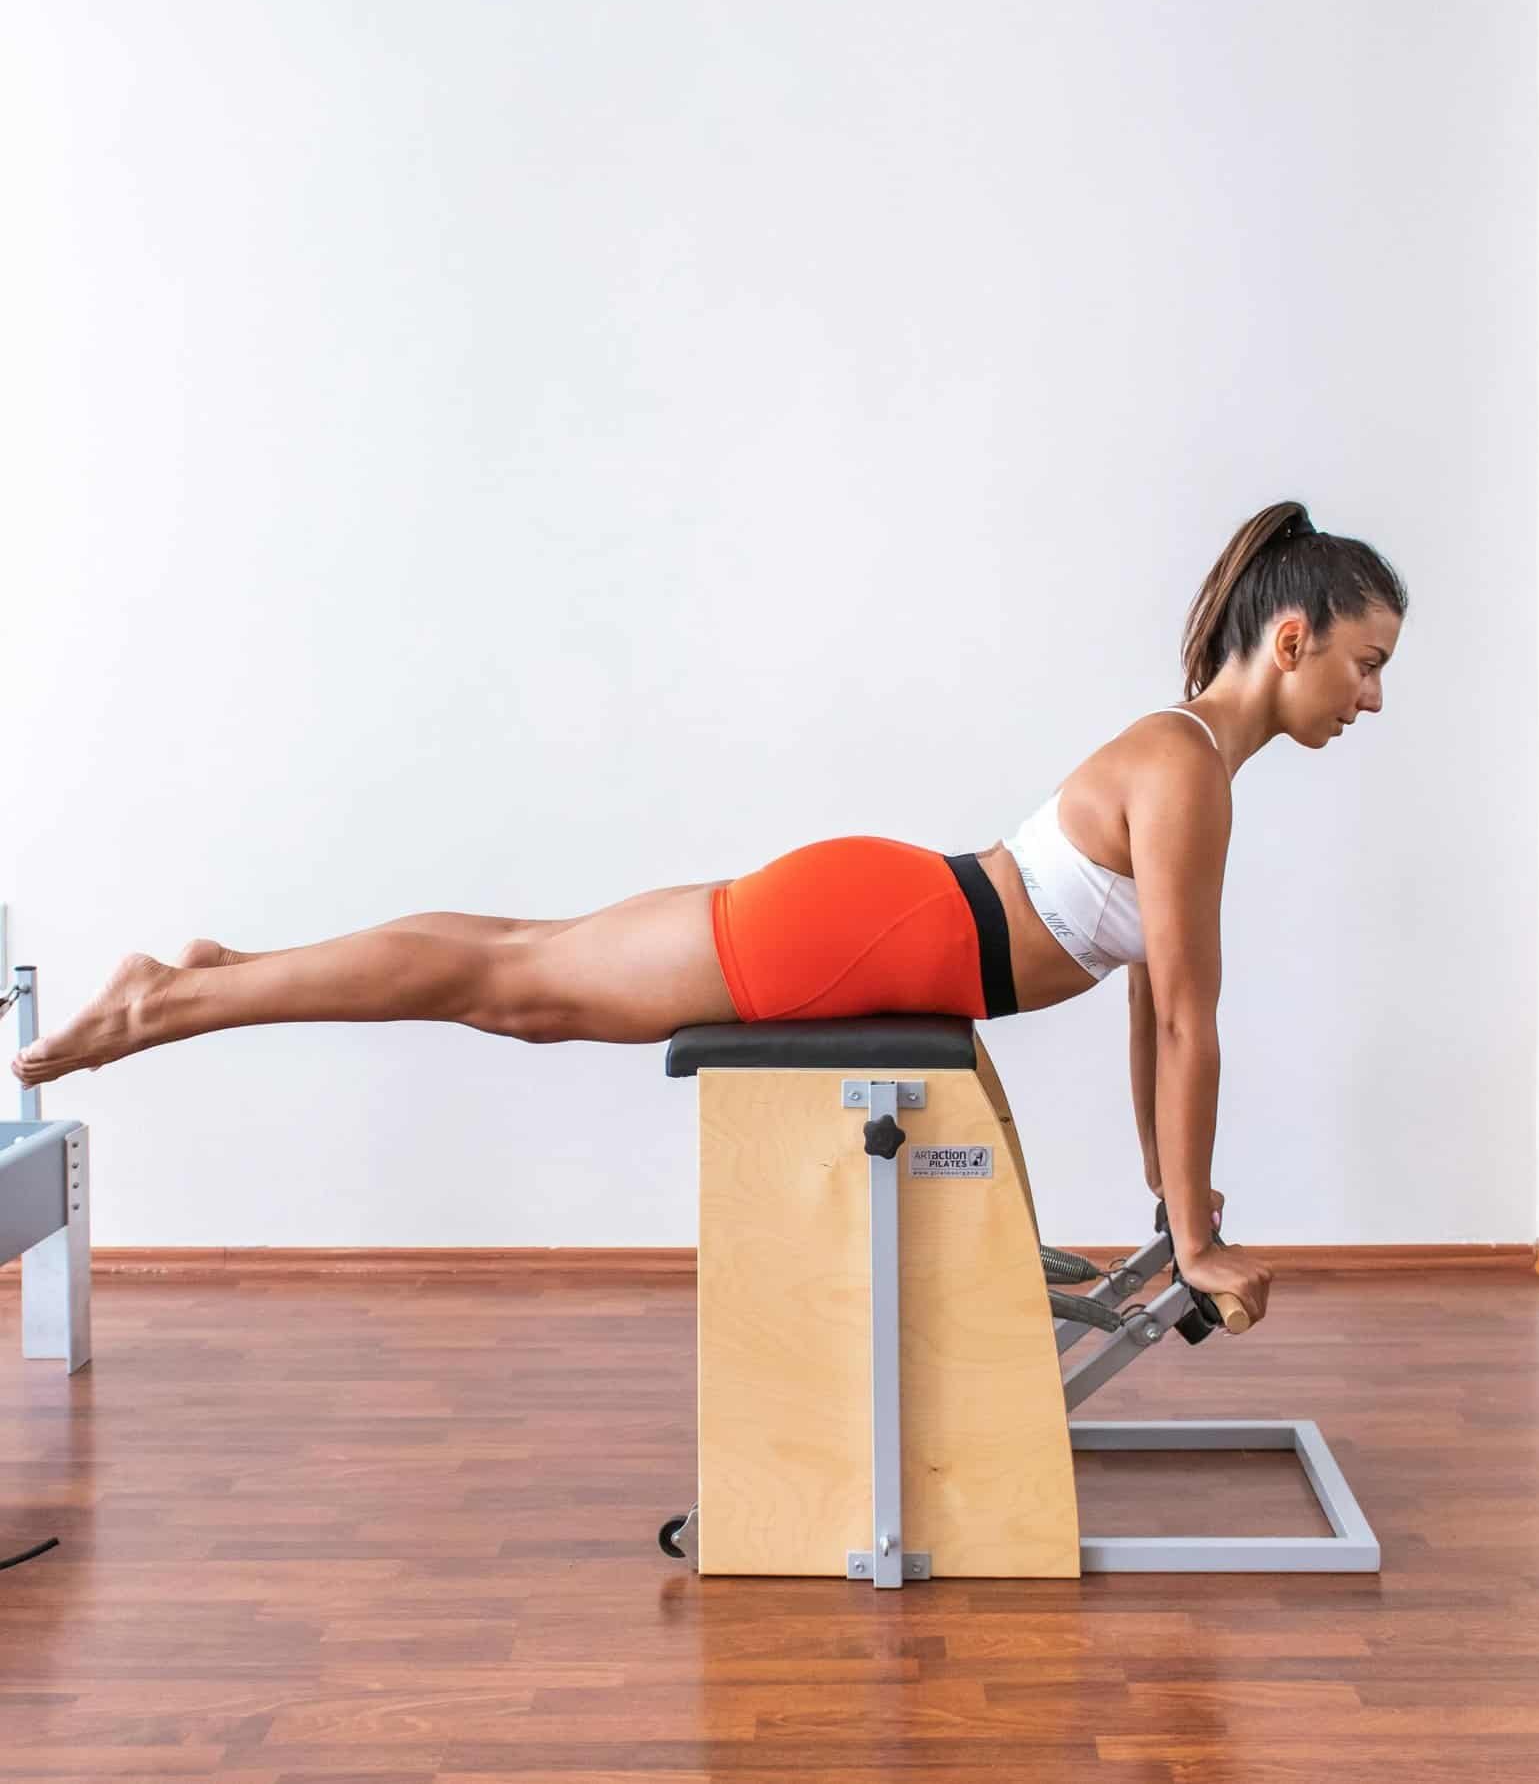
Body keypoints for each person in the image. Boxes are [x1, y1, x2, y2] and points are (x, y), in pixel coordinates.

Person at [10, 499, 1405, 1322]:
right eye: (1364, 663)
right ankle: (174, 997)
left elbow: (1160, 1003)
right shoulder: (1183, 770)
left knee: (521, 971)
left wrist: (1176, 1196)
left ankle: (211, 974)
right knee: (517, 983)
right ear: (1291, 640)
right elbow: (1193, 1029)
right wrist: (1201, 1236)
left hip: (881, 915)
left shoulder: (1189, 763)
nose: (1372, 699)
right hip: (860, 927)